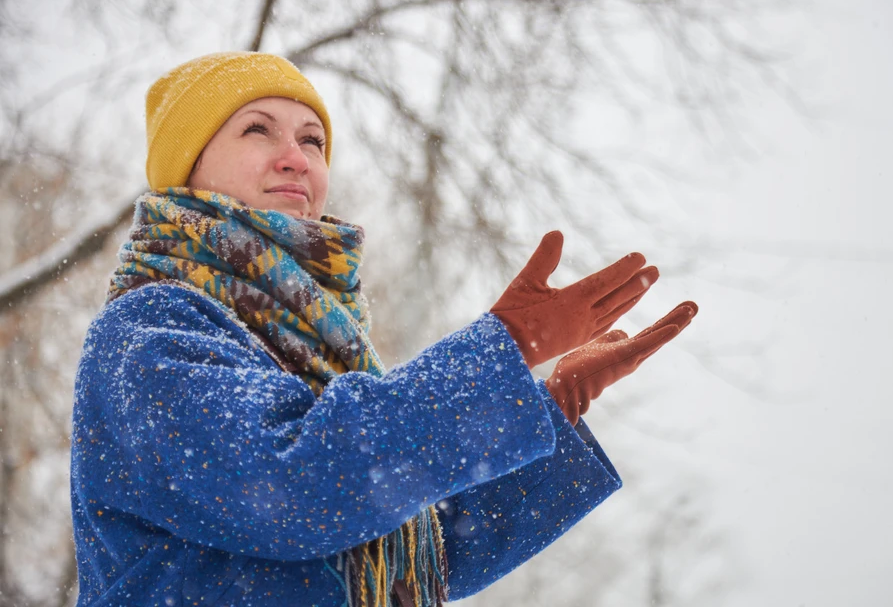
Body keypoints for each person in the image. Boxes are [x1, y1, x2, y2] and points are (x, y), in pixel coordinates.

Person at [70, 51, 697, 607]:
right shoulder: (151, 327)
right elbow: (294, 486)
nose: (296, 157)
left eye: (313, 141)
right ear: (186, 167)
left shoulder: (323, 344)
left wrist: (555, 408)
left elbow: (423, 553)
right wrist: (502, 348)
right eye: (257, 130)